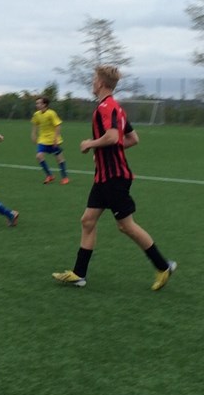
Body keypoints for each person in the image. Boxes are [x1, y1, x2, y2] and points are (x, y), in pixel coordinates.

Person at [52, 65, 177, 290]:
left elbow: (111, 137)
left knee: (126, 226)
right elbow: (132, 138)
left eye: (94, 79)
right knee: (87, 220)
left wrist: (90, 144)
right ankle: (79, 274)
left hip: (114, 177)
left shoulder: (106, 108)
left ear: (101, 83)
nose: (92, 82)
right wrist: (103, 151)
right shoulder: (116, 108)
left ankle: (163, 266)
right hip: (104, 177)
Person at [31, 96, 68, 184]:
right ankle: (49, 175)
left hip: (53, 140)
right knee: (39, 156)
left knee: (59, 158)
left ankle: (65, 177)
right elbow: (35, 124)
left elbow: (58, 125)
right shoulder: (36, 114)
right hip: (43, 140)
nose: (37, 105)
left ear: (44, 104)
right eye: (36, 103)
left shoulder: (51, 113)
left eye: (39, 103)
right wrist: (33, 134)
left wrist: (56, 139)